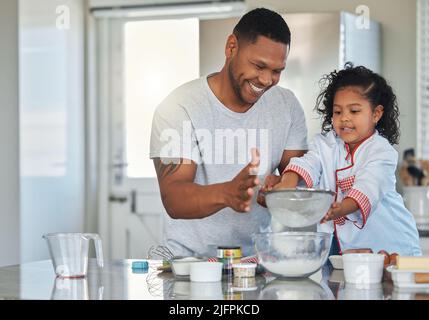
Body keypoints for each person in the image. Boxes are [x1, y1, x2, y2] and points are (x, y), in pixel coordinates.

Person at [150, 8, 308, 257]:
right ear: (231, 47)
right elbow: (174, 197)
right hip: (190, 265)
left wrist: (282, 190)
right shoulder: (179, 106)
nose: (267, 80)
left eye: (277, 71)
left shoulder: (287, 106)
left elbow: (300, 175)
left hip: (257, 263)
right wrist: (227, 193)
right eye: (259, 65)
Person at [270, 63, 421, 256]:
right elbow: (308, 163)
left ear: (376, 114)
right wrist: (287, 181)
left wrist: (340, 209)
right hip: (350, 251)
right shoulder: (326, 144)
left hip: (393, 246)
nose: (345, 119)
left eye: (354, 111)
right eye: (338, 112)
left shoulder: (381, 152)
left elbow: (369, 186)